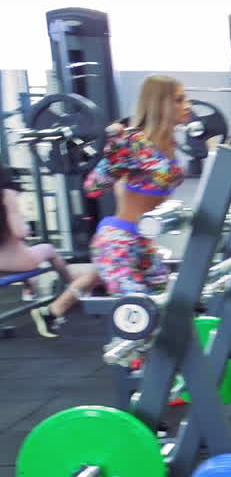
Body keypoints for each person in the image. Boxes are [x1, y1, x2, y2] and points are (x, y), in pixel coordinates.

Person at [31, 75, 189, 338]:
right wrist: (112, 155)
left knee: (171, 312)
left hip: (143, 242)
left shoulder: (169, 145)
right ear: (160, 104)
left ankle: (54, 310)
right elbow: (93, 187)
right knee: (139, 321)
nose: (188, 105)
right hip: (118, 243)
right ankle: (138, 373)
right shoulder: (133, 143)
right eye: (180, 99)